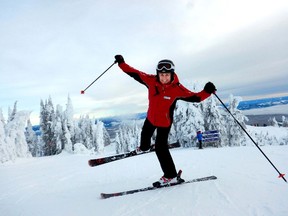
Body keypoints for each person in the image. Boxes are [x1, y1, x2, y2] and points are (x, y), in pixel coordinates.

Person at [114, 55, 216, 186]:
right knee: (144, 135)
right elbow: (134, 73)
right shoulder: (150, 81)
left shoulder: (177, 89)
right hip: (150, 118)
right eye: (161, 75)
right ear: (158, 74)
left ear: (172, 74)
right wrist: (122, 63)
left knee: (160, 148)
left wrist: (207, 91)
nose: (164, 78)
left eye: (167, 75)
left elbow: (195, 97)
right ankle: (144, 148)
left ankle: (171, 175)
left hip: (164, 123)